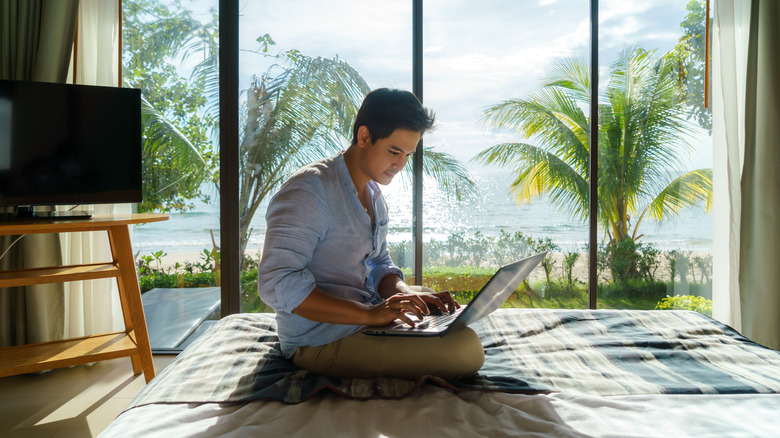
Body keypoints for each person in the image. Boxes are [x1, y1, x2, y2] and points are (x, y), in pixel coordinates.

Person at [258, 88, 484, 380]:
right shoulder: (309, 190)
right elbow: (276, 282)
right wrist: (368, 315)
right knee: (467, 351)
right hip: (318, 340)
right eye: (394, 151)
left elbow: (377, 264)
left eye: (407, 155)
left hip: (365, 320)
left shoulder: (374, 194)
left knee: (436, 306)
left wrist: (405, 295)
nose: (401, 164)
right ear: (364, 137)